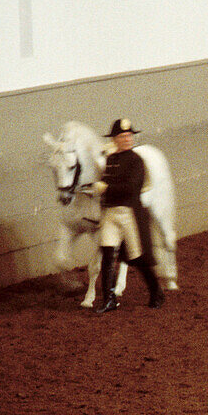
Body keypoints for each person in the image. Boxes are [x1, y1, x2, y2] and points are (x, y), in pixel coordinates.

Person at [90, 118, 164, 313]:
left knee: (137, 258)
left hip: (129, 212)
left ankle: (156, 290)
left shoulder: (135, 161)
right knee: (107, 254)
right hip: (111, 213)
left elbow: (131, 188)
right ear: (115, 139)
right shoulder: (111, 160)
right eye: (123, 136)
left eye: (129, 136)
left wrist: (106, 188)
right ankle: (109, 299)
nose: (127, 139)